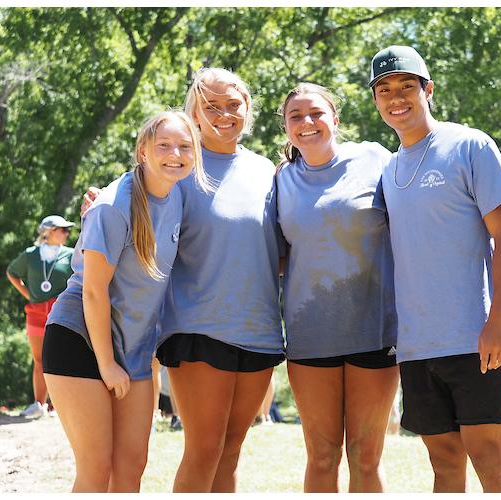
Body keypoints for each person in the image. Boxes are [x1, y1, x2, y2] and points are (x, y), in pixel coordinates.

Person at [369, 45, 501, 493]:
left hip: (476, 337)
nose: (396, 97)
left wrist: (499, 318)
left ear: (428, 89)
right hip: (417, 345)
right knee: (443, 465)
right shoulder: (389, 169)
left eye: (406, 86)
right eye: (384, 90)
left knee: (490, 464)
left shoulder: (469, 144)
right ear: (376, 100)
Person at [42, 110, 207, 492]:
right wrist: (106, 364)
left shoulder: (179, 192)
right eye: (163, 145)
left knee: (131, 466)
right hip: (80, 339)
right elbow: (94, 292)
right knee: (96, 468)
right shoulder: (113, 206)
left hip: (132, 349)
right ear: (143, 151)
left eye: (185, 146)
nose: (175, 153)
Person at [154, 68, 285, 493]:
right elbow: (135, 216)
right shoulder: (178, 165)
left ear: (248, 110)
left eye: (233, 105)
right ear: (192, 112)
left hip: (261, 332)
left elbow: (278, 249)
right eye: (210, 106)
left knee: (230, 452)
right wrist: (98, 205)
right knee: (205, 448)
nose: (223, 114)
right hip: (197, 328)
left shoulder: (268, 170)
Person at [276, 83, 399, 493]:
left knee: (366, 456)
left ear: (335, 120)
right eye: (296, 116)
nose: (307, 122)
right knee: (322, 455)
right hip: (309, 335)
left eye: (316, 113)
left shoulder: (375, 158)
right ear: (286, 127)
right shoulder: (280, 181)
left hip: (376, 331)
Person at [7, 215, 75, 418]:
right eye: (63, 229)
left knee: (62, 357)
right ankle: (39, 404)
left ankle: (61, 405)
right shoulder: (30, 254)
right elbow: (12, 273)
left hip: (61, 311)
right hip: (36, 313)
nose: (67, 233)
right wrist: (30, 295)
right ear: (50, 231)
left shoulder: (71, 255)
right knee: (39, 359)